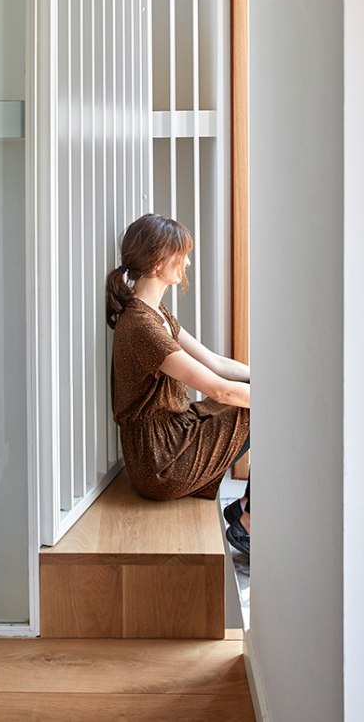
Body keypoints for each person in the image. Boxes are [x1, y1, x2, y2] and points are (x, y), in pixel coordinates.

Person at [105, 213, 252, 557]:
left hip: (170, 438)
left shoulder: (156, 313)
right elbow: (221, 390)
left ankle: (243, 509)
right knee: (256, 410)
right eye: (181, 253)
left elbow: (214, 362)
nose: (187, 260)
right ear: (158, 262)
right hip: (160, 460)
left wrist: (269, 377)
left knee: (251, 399)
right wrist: (279, 399)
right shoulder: (142, 326)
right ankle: (248, 524)